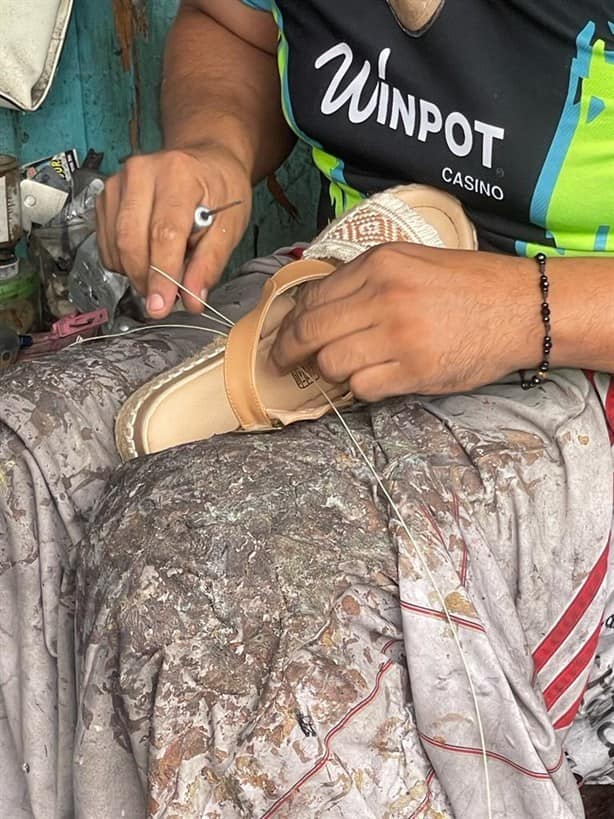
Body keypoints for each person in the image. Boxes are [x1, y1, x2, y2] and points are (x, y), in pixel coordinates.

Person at [1, 1, 613, 816]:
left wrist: (521, 309)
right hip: (357, 265)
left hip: (579, 332)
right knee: (20, 462)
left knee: (229, 604)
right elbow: (234, 24)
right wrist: (215, 147)